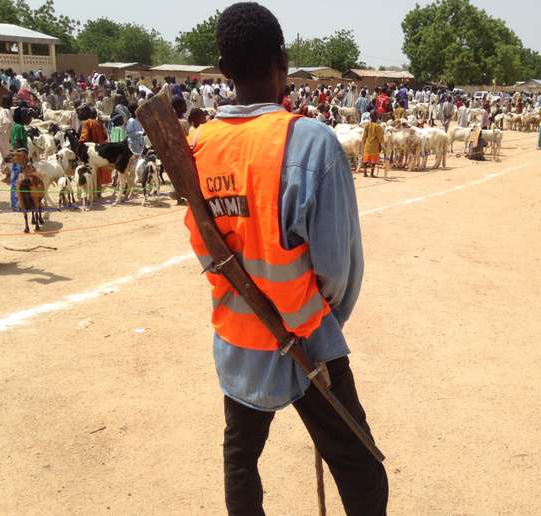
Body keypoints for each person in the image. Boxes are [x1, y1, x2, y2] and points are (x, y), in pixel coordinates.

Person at [183, 3, 388, 515]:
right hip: (307, 341)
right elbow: (339, 268)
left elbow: (205, 243)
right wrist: (317, 318)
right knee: (361, 467)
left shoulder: (198, 144)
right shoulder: (309, 140)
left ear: (224, 69)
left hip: (237, 337)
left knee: (241, 458)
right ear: (282, 60)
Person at [9, 107, 30, 211]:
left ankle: (14, 204)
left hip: (15, 155)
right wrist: (22, 155)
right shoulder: (19, 127)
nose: (29, 118)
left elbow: (11, 140)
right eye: (27, 116)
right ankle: (18, 205)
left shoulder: (14, 126)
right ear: (22, 117)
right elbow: (17, 141)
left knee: (15, 180)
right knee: (18, 180)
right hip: (19, 157)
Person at [359, 111, 383, 177]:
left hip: (367, 144)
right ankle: (372, 173)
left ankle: (365, 172)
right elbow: (380, 138)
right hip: (375, 145)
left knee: (365, 159)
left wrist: (364, 142)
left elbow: (364, 136)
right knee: (373, 160)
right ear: (377, 117)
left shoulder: (367, 125)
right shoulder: (378, 127)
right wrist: (380, 146)